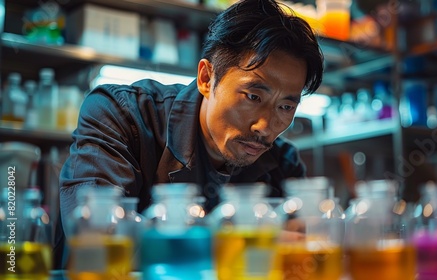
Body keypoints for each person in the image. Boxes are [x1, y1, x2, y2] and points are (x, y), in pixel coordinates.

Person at [54, 0, 324, 268]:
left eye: (286, 106)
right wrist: (242, 244)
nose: (265, 127)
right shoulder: (124, 115)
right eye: (253, 96)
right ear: (207, 78)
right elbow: (97, 238)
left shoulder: (281, 163)